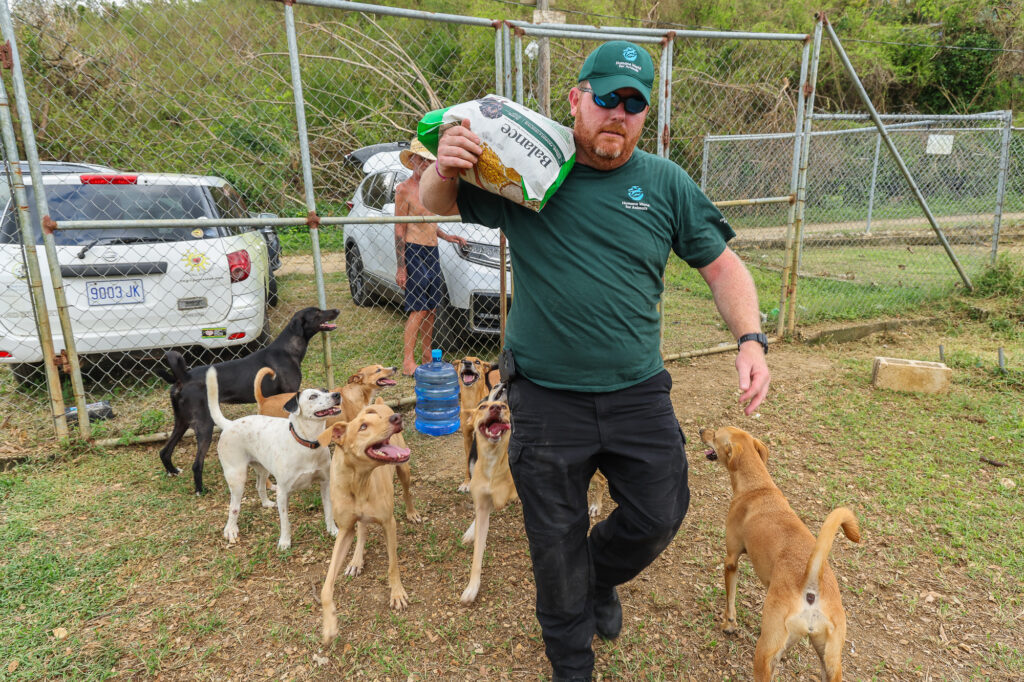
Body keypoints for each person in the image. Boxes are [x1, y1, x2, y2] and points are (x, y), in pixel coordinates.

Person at [420, 40, 770, 682]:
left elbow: (722, 266)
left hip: (637, 390)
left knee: (660, 513)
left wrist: (751, 340)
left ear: (646, 116)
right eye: (607, 97)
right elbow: (433, 205)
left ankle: (599, 576)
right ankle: (571, 663)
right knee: (553, 545)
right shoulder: (531, 172)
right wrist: (445, 166)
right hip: (547, 397)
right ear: (577, 98)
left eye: (634, 104)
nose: (619, 113)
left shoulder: (665, 183)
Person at [394, 138, 467, 376]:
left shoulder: (431, 188)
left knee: (433, 307)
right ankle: (408, 361)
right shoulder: (404, 189)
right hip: (413, 251)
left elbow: (428, 223)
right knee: (418, 309)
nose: (424, 163)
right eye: (421, 158)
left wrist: (448, 236)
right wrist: (401, 267)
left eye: (429, 159)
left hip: (431, 251)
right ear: (412, 160)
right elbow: (400, 230)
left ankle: (427, 354)